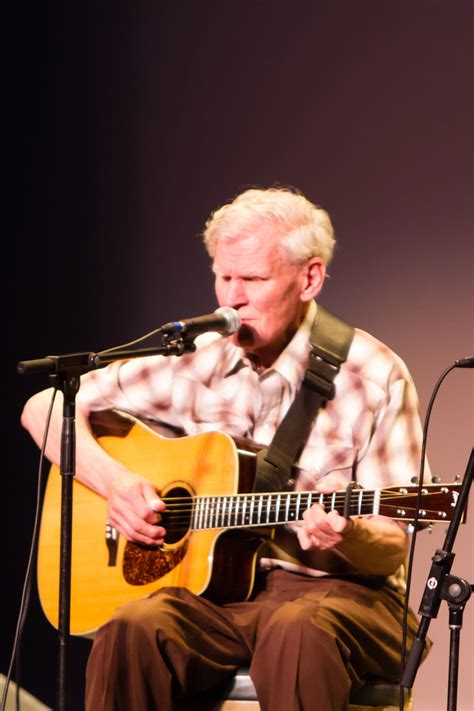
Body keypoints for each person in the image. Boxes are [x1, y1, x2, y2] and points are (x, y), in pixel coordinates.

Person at [21, 186, 430, 710]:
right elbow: (45, 407)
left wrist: (345, 532)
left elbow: (393, 543)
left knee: (296, 632)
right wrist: (117, 484)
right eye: (223, 275)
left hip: (343, 598)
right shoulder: (196, 360)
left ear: (310, 278)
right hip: (221, 599)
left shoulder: (372, 375)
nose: (231, 298)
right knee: (132, 627)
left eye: (253, 280)